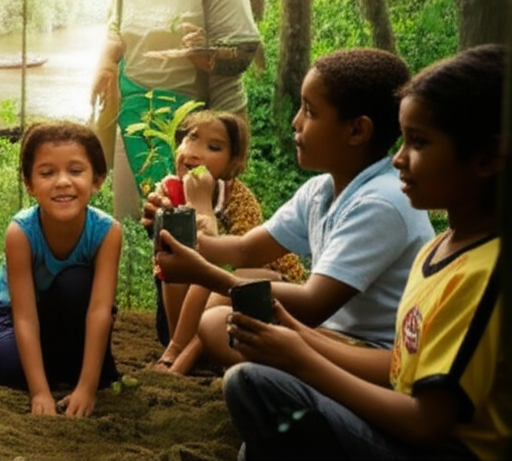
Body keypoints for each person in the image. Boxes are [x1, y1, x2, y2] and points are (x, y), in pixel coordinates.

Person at [221, 44, 510, 460]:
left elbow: (426, 424)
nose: (398, 160)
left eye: (419, 143)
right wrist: (295, 334)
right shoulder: (438, 251)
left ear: (485, 157)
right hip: (402, 420)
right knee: (262, 424)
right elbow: (398, 370)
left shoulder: (484, 275)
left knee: (254, 386)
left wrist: (302, 359)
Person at [155, 48, 436, 369]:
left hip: (378, 352)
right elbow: (247, 250)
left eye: (310, 111)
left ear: (356, 130)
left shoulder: (381, 202)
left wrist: (204, 272)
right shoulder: (321, 191)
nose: (296, 121)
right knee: (217, 323)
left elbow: (312, 304)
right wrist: (179, 240)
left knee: (218, 324)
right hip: (330, 335)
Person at [91, 0, 261, 222]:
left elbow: (244, 51)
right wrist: (105, 62)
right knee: (133, 220)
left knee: (192, 221)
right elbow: (116, 28)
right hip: (135, 115)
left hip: (195, 122)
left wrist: (204, 53)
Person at [147, 110, 305, 375]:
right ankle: (179, 345)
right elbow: (170, 261)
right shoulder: (169, 190)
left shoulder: (240, 198)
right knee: (171, 265)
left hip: (260, 287)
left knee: (215, 281)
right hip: (201, 299)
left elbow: (236, 262)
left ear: (233, 160)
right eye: (191, 138)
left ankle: (179, 353)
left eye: (213, 147)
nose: (195, 152)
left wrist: (201, 207)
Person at [0, 121, 122, 418]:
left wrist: (87, 388)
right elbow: (24, 316)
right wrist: (39, 392)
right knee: (10, 369)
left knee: (76, 282)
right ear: (30, 184)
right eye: (47, 173)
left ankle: (77, 374)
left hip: (69, 310)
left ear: (97, 179)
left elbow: (100, 310)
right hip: (15, 316)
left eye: (76, 171)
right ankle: (52, 373)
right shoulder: (21, 232)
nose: (62, 182)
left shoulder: (106, 232)